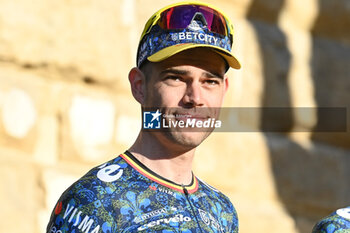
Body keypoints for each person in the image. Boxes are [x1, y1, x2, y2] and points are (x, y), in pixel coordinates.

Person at [46, 1, 241, 232]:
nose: (195, 97)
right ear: (139, 86)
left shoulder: (222, 211)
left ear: (224, 90)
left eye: (210, 81)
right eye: (176, 78)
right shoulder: (95, 200)